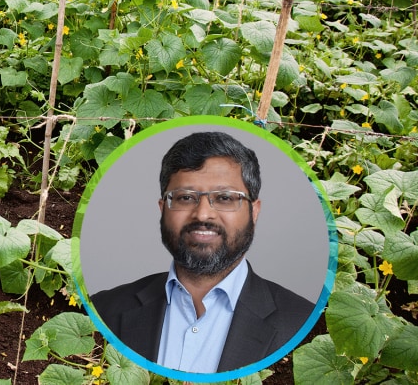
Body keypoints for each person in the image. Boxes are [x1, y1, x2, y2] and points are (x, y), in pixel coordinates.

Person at [90, 132, 314, 374]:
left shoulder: (302, 322)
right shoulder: (104, 309)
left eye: (226, 198)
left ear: (254, 211)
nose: (203, 214)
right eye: (186, 197)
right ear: (162, 209)